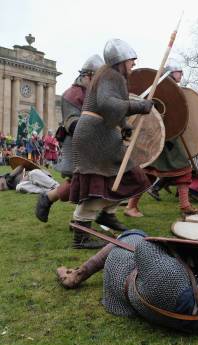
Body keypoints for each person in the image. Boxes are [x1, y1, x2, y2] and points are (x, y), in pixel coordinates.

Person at [56, 231, 198, 334]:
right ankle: (78, 274)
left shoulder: (165, 273)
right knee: (132, 238)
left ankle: (79, 274)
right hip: (138, 281)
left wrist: (176, 249)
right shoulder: (169, 277)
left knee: (132, 235)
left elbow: (145, 246)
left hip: (123, 273)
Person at [69, 39, 152, 248]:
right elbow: (107, 104)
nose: (134, 63)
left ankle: (107, 214)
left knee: (128, 176)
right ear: (121, 60)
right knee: (99, 182)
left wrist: (124, 124)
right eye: (131, 60)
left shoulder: (111, 76)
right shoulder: (111, 75)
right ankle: (81, 234)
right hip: (95, 135)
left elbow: (111, 108)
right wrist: (139, 106)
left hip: (101, 132)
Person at [124, 63, 198, 218]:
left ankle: (185, 205)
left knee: (176, 172)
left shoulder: (175, 92)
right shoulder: (157, 88)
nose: (182, 75)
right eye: (179, 72)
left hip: (170, 136)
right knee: (152, 174)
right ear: (171, 73)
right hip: (157, 138)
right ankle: (131, 206)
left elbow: (177, 114)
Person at [35, 55, 105, 224]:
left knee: (82, 182)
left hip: (90, 145)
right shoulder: (72, 94)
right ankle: (78, 220)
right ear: (87, 76)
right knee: (83, 181)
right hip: (75, 144)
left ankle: (51, 199)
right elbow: (72, 123)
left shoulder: (92, 94)